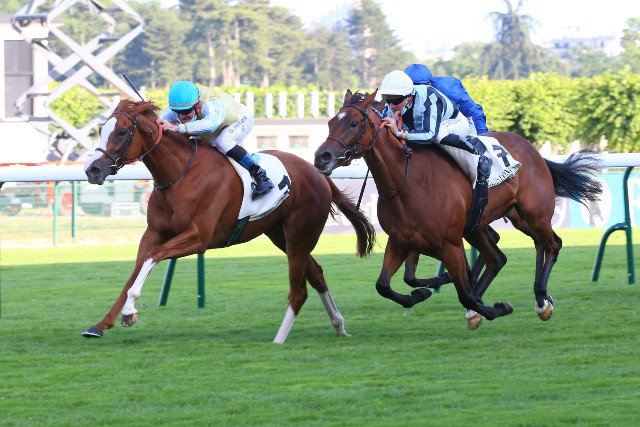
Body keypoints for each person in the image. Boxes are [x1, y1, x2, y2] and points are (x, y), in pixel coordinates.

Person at [157, 80, 274, 200]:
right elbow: (157, 124)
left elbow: (211, 125)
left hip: (239, 118)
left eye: (186, 112)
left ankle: (260, 175)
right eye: (177, 112)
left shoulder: (211, 103)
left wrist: (178, 127)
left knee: (223, 143)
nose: (182, 116)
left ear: (197, 104)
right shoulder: (178, 106)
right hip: (216, 126)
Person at [378, 69, 491, 182]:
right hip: (428, 126)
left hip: (454, 123)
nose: (391, 106)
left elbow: (430, 135)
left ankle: (479, 157)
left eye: (396, 101)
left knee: (439, 135)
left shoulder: (430, 97)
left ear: (409, 97)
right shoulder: (394, 102)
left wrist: (399, 132)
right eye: (387, 100)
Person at [404, 63, 488, 136]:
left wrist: (482, 136)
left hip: (460, 120)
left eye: (422, 87)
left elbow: (474, 111)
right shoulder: (402, 91)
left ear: (430, 83)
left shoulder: (449, 91)